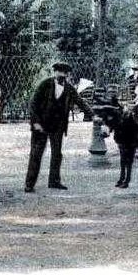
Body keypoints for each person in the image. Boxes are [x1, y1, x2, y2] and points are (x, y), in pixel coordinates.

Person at [25, 62, 94, 193]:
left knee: (57, 154)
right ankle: (29, 184)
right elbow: (33, 104)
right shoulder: (45, 84)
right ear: (54, 72)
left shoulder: (69, 88)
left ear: (67, 74)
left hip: (58, 126)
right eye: (58, 71)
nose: (61, 74)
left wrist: (93, 115)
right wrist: (35, 122)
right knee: (36, 153)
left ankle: (54, 181)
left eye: (63, 72)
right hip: (41, 124)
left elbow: (80, 102)